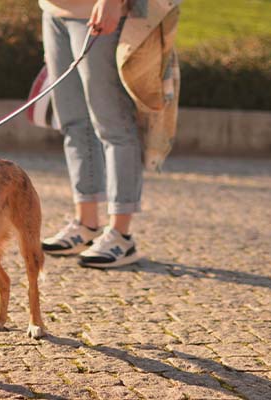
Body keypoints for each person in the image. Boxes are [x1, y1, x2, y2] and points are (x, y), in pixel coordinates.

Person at [39, 0, 181, 268]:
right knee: (73, 122)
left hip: (99, 12)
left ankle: (121, 235)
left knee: (113, 124)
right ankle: (86, 224)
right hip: (54, 11)